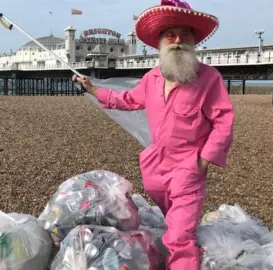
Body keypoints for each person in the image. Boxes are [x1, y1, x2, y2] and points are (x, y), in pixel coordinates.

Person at [72, 0, 234, 269]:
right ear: (160, 42)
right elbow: (126, 99)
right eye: (171, 34)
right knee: (175, 224)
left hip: (188, 168)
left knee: (180, 236)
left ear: (194, 40)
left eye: (185, 34)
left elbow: (224, 121)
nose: (178, 40)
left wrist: (204, 160)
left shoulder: (209, 78)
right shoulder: (152, 78)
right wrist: (92, 89)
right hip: (155, 169)